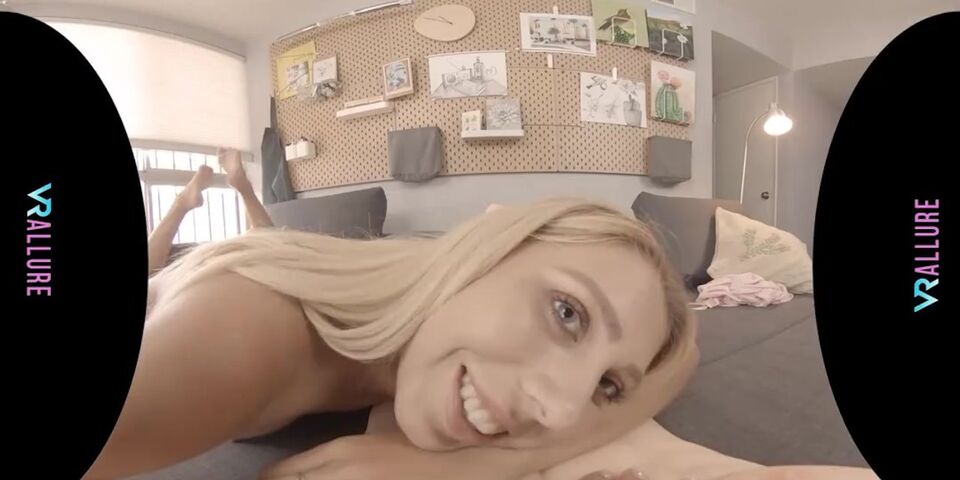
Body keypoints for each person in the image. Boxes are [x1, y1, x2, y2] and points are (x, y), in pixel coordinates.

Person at [85, 148, 699, 480]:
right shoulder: (240, 335)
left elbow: (680, 362)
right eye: (567, 313)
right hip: (188, 294)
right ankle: (185, 206)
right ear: (485, 247)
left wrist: (485, 465)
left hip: (261, 268)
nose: (562, 413)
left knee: (265, 243)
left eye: (606, 384)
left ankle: (239, 195)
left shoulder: (418, 324)